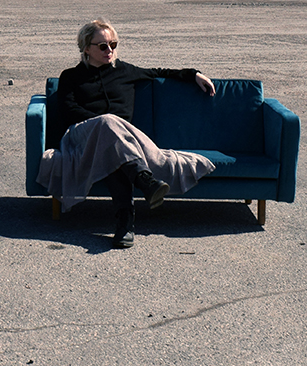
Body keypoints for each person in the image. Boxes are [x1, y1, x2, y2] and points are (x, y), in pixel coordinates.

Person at [38, 19, 217, 249]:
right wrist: (103, 123)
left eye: (113, 44)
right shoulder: (70, 76)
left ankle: (125, 222)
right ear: (86, 48)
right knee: (108, 125)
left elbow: (160, 72)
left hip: (121, 143)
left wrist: (194, 74)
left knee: (114, 151)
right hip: (82, 138)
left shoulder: (125, 71)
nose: (109, 50)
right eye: (102, 46)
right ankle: (144, 180)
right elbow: (69, 111)